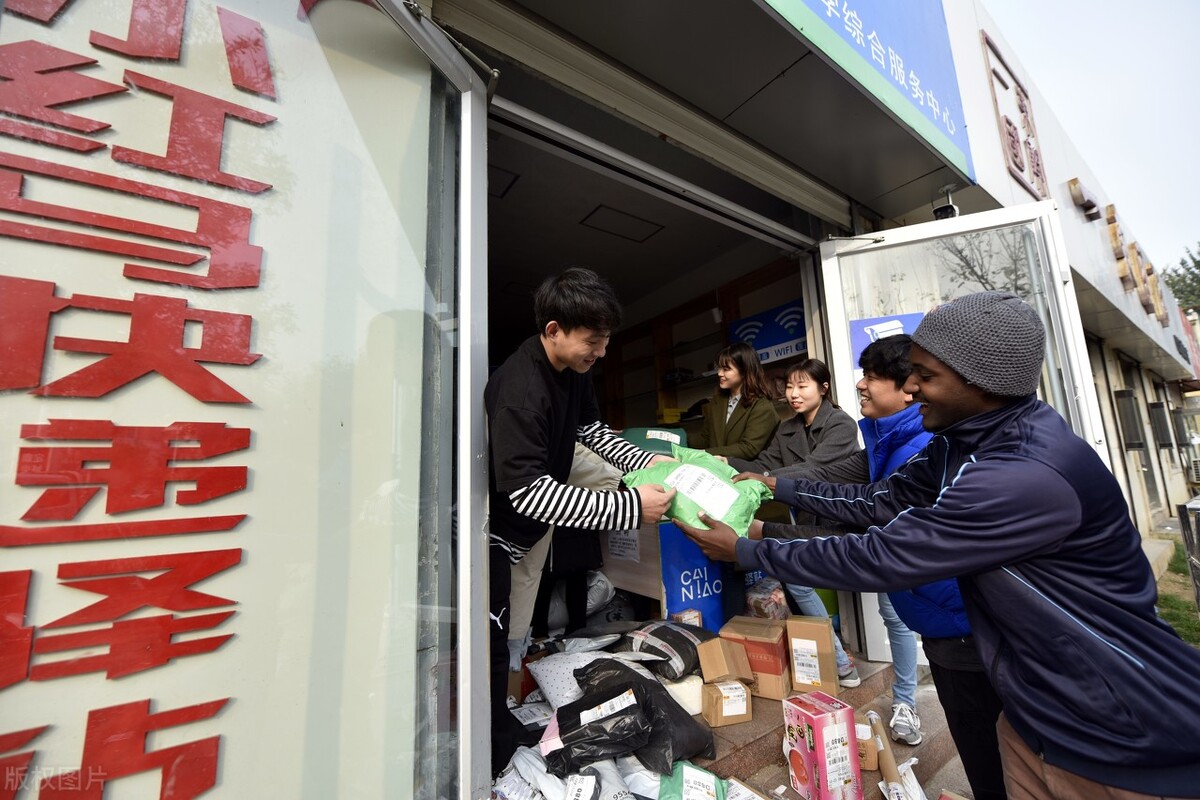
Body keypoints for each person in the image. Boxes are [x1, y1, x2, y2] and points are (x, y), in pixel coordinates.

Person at [675, 291, 1200, 798]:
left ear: (982, 382)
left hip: (1117, 732)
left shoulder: (1020, 474)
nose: (913, 389)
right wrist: (779, 485)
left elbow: (883, 553)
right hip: (1035, 706)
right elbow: (882, 500)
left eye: (926, 376)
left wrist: (748, 549)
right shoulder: (962, 441)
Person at [751, 335, 1004, 796]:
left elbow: (869, 541)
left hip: (963, 627)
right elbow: (846, 489)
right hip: (942, 616)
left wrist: (757, 541)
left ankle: (905, 702)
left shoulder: (924, 447)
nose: (861, 385)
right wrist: (767, 483)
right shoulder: (889, 438)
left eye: (871, 377)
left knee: (990, 753)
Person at [485, 267, 676, 775]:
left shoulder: (575, 370)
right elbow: (528, 495)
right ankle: (494, 736)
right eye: (593, 341)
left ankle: (508, 711)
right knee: (496, 632)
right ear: (553, 331)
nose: (602, 353)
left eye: (606, 340)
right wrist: (631, 508)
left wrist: (641, 465)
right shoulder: (520, 392)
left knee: (519, 624)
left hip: (535, 521)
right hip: (500, 533)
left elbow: (591, 431)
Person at [729, 358, 866, 690]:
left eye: (802, 386)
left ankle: (899, 690)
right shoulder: (787, 427)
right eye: (789, 386)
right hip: (806, 518)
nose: (793, 393)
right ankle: (840, 658)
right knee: (798, 581)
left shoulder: (842, 424)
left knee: (886, 605)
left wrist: (761, 479)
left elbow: (813, 469)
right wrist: (727, 464)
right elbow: (764, 463)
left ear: (823, 388)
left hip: (845, 518)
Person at [688, 341, 779, 460]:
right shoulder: (717, 402)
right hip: (715, 470)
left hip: (744, 473)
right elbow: (705, 438)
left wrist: (703, 454)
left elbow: (748, 448)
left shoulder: (762, 407)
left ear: (744, 371)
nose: (719, 373)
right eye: (719, 368)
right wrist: (675, 438)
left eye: (726, 369)